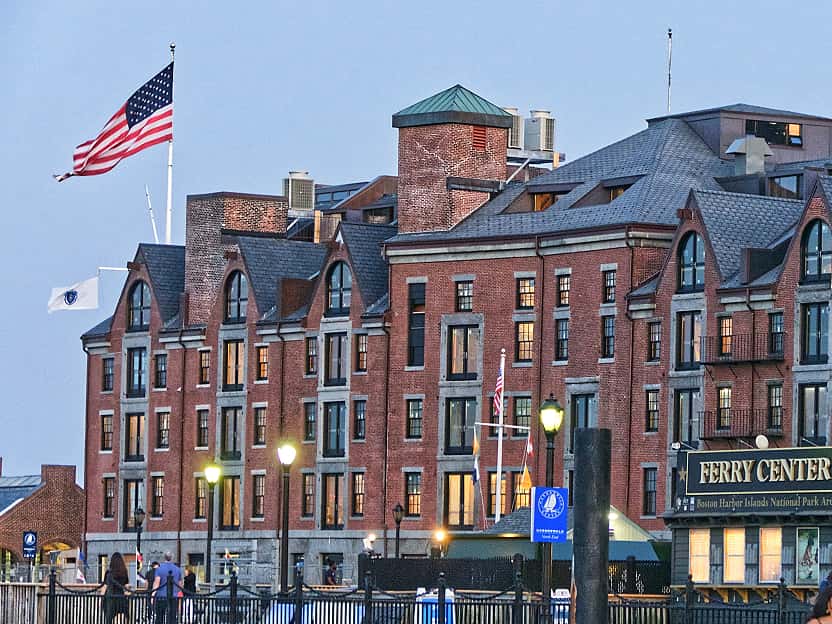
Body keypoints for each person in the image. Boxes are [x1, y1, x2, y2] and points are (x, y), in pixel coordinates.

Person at [152, 552, 184, 624]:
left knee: (159, 617)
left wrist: (153, 594)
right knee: (172, 617)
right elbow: (180, 584)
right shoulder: (177, 569)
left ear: (164, 557)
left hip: (161, 596)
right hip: (174, 596)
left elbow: (157, 583)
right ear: (172, 558)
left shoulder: (159, 569)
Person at [101, 552, 129, 624]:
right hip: (120, 596)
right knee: (122, 617)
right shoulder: (124, 572)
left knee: (109, 618)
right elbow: (126, 586)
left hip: (110, 597)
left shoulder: (109, 573)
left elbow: (104, 586)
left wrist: (100, 599)